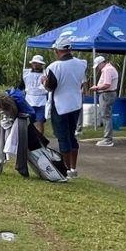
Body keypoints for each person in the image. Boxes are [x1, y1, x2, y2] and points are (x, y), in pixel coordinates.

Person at [42, 38, 87, 177]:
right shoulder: (81, 63)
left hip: (60, 105)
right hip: (75, 104)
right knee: (71, 135)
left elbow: (50, 87)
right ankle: (73, 168)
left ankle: (66, 170)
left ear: (57, 51)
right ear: (70, 49)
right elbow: (82, 83)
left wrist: (44, 82)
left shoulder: (54, 67)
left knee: (63, 137)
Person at [90, 55, 119, 147]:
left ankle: (108, 139)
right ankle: (107, 138)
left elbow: (107, 84)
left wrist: (97, 87)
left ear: (102, 63)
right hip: (108, 94)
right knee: (106, 115)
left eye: (98, 65)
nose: (98, 67)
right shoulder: (110, 68)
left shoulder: (107, 70)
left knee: (106, 116)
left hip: (107, 94)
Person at [22, 54, 48, 134]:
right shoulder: (26, 73)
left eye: (38, 63)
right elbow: (21, 85)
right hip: (29, 100)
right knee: (29, 121)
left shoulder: (46, 74)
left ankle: (40, 139)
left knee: (40, 122)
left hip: (41, 101)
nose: (36, 65)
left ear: (41, 64)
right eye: (34, 63)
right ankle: (29, 138)